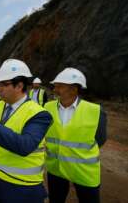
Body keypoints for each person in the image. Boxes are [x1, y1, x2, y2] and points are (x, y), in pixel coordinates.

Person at [0, 59, 52, 203]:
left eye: (3, 84)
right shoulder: (0, 106)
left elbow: (24, 145)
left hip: (22, 188)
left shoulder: (39, 114)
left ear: (19, 86)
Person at [45, 68, 107, 203]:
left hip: (84, 172)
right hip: (56, 169)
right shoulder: (47, 108)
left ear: (74, 89)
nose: (55, 90)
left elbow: (100, 139)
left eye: (60, 86)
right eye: (55, 86)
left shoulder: (95, 111)